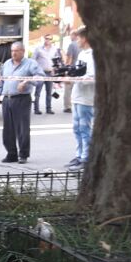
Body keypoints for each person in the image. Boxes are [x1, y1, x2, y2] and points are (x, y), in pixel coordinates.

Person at [0, 41, 46, 164]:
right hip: (7, 99)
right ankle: (11, 154)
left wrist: (26, 82)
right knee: (8, 129)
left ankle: (23, 154)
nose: (14, 53)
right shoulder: (7, 64)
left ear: (23, 51)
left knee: (22, 129)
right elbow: (1, 81)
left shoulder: (30, 64)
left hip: (22, 99)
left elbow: (41, 77)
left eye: (16, 50)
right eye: (12, 51)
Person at [66, 28, 95, 172]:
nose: (77, 40)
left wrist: (77, 79)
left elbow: (92, 77)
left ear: (85, 38)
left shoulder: (93, 55)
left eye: (79, 38)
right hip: (77, 96)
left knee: (85, 129)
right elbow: (78, 71)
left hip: (87, 98)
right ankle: (79, 155)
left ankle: (86, 158)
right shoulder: (82, 54)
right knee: (76, 129)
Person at [31, 34, 62, 115]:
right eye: (46, 38)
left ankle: (48, 109)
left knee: (49, 92)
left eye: (49, 39)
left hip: (50, 73)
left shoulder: (54, 49)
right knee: (38, 92)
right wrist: (35, 71)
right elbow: (33, 61)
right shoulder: (38, 49)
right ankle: (36, 109)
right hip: (40, 73)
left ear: (52, 40)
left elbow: (57, 61)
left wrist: (55, 70)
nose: (48, 40)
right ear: (44, 39)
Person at [62, 30, 80, 113]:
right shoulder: (82, 45)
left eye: (71, 35)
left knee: (68, 89)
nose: (70, 37)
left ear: (75, 35)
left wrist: (66, 71)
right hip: (81, 70)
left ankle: (67, 106)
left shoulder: (72, 45)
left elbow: (69, 58)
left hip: (72, 70)